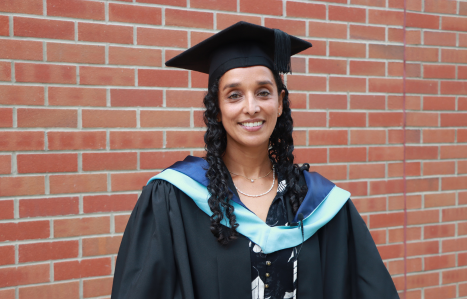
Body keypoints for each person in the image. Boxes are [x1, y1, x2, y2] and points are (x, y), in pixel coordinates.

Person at [110, 21, 399, 299]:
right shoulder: (173, 198)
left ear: (280, 102)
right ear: (217, 108)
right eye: (234, 95)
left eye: (263, 92)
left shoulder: (319, 204)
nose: (251, 107)